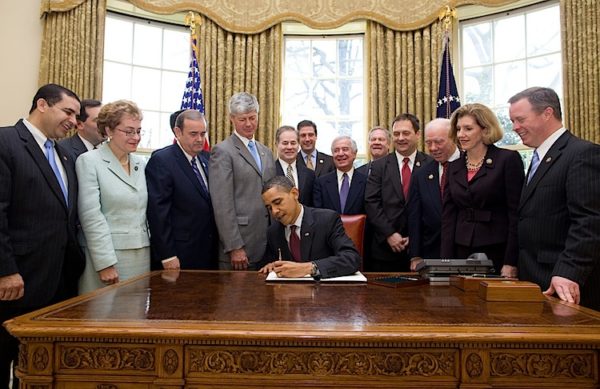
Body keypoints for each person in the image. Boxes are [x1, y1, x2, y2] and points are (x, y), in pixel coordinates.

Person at [0, 83, 85, 389]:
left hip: (58, 281)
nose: (74, 121)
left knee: (41, 365)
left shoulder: (63, 155)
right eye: (68, 112)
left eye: (76, 115)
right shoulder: (6, 142)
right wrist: (6, 270)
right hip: (17, 280)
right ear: (42, 105)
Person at [509, 87, 600, 310]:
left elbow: (589, 221)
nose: (514, 127)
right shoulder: (539, 156)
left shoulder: (582, 153)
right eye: (513, 121)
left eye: (520, 119)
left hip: (562, 281)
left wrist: (568, 272)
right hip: (534, 275)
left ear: (547, 113)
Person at [441, 103, 524, 276]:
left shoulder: (507, 160)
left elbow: (516, 214)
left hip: (497, 249)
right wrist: (445, 262)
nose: (461, 135)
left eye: (468, 129)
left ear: (485, 130)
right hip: (461, 249)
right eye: (458, 129)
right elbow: (449, 217)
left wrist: (511, 261)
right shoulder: (453, 167)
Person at [77, 100, 150, 294]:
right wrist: (105, 263)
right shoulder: (89, 161)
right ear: (109, 130)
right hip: (108, 258)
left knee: (134, 319)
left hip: (142, 254)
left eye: (139, 131)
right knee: (103, 317)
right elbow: (91, 215)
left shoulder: (140, 163)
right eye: (129, 131)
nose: (136, 137)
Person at [209, 92, 276, 270]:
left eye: (252, 118)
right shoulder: (222, 152)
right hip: (240, 247)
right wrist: (234, 246)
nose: (248, 124)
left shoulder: (266, 151)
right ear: (232, 119)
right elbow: (222, 205)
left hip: (267, 243)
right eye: (242, 119)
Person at [146, 109, 218, 270]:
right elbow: (158, 213)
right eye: (193, 134)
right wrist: (167, 255)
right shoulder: (162, 160)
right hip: (178, 253)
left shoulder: (207, 158)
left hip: (207, 251)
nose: (200, 139)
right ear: (177, 132)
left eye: (203, 133)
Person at [365, 113, 432, 271]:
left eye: (406, 133)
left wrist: (415, 238)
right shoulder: (379, 166)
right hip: (385, 250)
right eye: (396, 134)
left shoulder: (430, 164)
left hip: (423, 248)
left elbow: (434, 206)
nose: (400, 138)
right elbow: (371, 203)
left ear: (417, 134)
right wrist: (389, 234)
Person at [259, 176, 360, 278]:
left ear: (295, 193)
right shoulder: (273, 232)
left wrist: (310, 268)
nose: (274, 211)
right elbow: (272, 263)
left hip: (325, 290)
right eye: (269, 208)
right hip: (288, 291)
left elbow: (351, 258)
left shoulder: (327, 220)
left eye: (277, 202)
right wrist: (272, 266)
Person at [407, 118, 459, 269]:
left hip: (464, 251)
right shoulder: (421, 174)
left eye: (439, 142)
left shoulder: (470, 165)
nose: (433, 148)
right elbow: (414, 216)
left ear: (453, 138)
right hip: (432, 253)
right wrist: (415, 255)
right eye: (429, 143)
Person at [314, 135, 367, 215]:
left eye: (345, 149)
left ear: (354, 154)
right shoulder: (321, 183)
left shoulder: (366, 182)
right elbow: (318, 214)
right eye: (336, 150)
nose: (340, 153)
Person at [274, 125, 315, 206]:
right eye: (285, 143)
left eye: (293, 143)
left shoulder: (309, 174)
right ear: (276, 144)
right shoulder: (269, 172)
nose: (289, 147)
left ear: (298, 145)